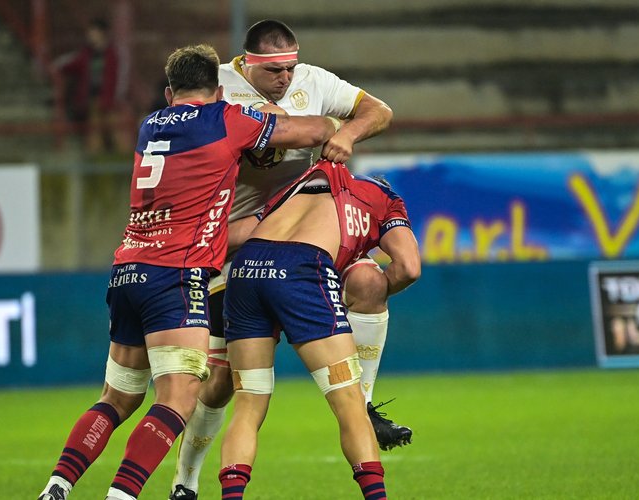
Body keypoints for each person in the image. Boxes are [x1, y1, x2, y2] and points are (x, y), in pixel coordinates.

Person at [36, 43, 339, 500]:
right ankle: (121, 495)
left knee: (116, 398)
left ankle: (57, 485)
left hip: (128, 269)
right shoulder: (225, 119)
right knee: (178, 398)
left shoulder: (149, 125)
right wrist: (334, 125)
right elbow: (311, 130)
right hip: (175, 277)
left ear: (168, 92)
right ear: (218, 91)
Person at [171, 19, 406, 499]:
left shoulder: (313, 81)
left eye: (290, 68)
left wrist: (349, 133)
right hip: (236, 243)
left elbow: (379, 110)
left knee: (368, 283)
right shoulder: (218, 87)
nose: (285, 78)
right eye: (274, 70)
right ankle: (185, 480)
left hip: (306, 241)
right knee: (220, 383)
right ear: (246, 64)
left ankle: (363, 403)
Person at [217, 159, 420, 499]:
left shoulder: (300, 182)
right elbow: (409, 268)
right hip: (302, 268)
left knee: (248, 405)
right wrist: (361, 292)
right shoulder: (385, 198)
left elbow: (236, 234)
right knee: (351, 404)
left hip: (245, 268)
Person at [53, 18, 129, 154]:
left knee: (118, 134)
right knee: (94, 134)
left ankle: (123, 160)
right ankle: (96, 160)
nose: (90, 35)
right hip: (93, 99)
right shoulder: (86, 54)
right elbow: (69, 64)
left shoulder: (114, 54)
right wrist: (55, 66)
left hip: (111, 101)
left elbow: (120, 76)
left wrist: (117, 97)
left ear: (102, 33)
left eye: (94, 32)